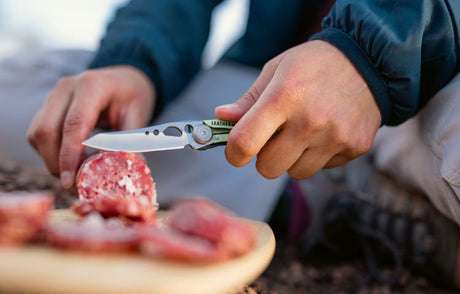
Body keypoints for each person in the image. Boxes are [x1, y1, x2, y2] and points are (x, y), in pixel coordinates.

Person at [1, 0, 460, 287]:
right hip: (259, 98)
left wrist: (371, 56)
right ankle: (326, 188)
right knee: (18, 89)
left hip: (434, 92)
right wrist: (135, 62)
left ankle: (339, 192)